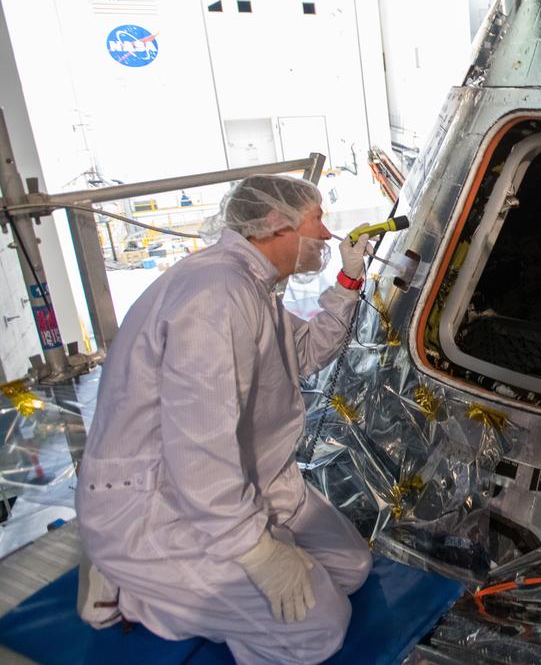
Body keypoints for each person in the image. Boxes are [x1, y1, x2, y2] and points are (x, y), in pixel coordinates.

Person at [75, 175, 376, 664]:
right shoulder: (215, 296)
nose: (325, 236)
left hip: (249, 482)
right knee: (318, 629)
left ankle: (202, 592)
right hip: (159, 504)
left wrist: (347, 281)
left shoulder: (251, 285)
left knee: (351, 567)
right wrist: (257, 553)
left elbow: (303, 352)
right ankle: (135, 586)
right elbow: (199, 453)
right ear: (276, 224)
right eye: (316, 220)